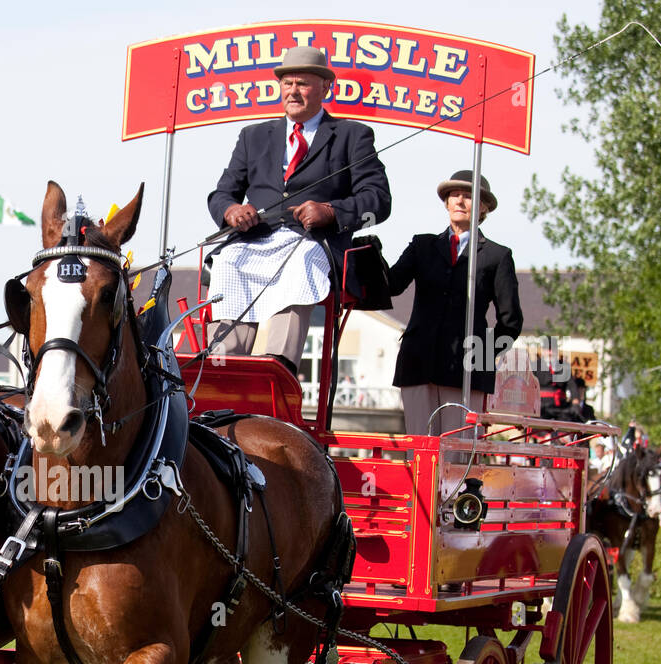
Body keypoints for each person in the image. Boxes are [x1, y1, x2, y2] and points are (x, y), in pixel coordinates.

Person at [206, 46, 391, 372]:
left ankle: (277, 366)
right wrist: (232, 211)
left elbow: (379, 200)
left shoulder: (353, 135)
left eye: (303, 84)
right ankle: (222, 366)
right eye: (287, 83)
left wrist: (331, 211)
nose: (293, 91)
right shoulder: (253, 136)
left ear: (325, 88)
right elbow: (221, 194)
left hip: (311, 241)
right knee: (227, 261)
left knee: (299, 265)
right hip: (253, 239)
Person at [388, 171, 524, 435]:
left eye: (468, 196)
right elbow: (391, 285)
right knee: (419, 448)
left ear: (483, 207)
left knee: (456, 454)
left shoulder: (498, 255)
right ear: (447, 203)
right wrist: (369, 258)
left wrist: (481, 354)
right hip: (418, 363)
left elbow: (511, 322)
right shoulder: (422, 245)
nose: (460, 201)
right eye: (454, 195)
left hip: (467, 373)